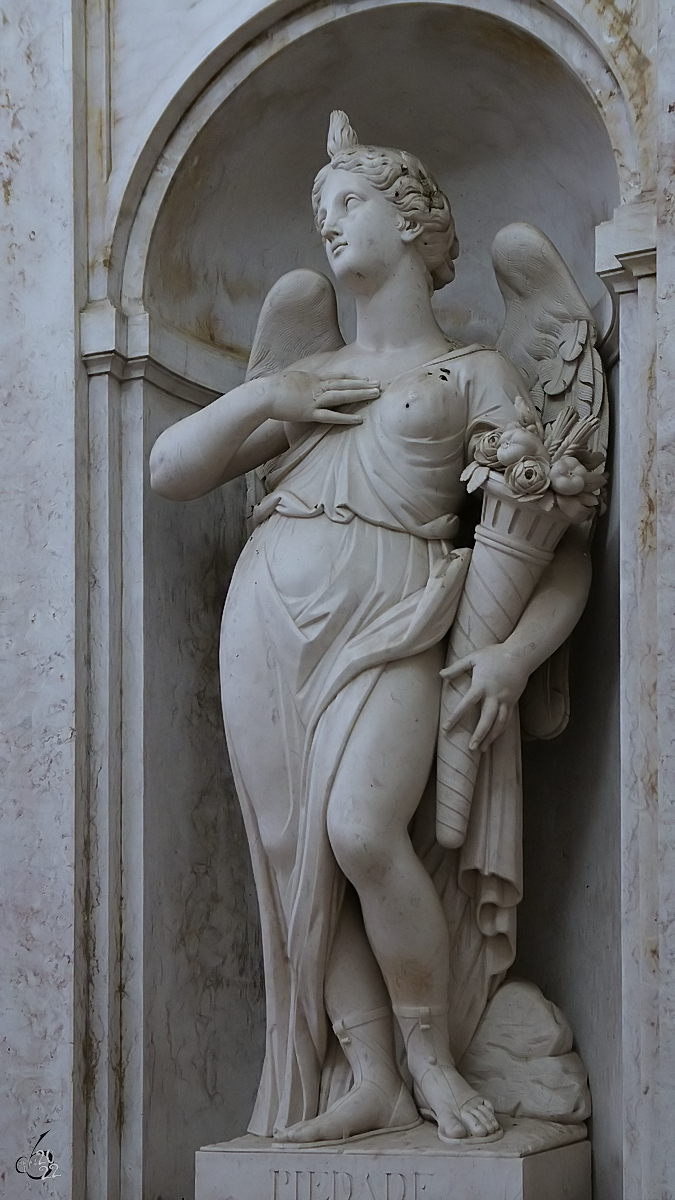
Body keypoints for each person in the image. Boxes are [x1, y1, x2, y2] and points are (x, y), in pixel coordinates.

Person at [149, 112, 591, 1146]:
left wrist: (516, 658)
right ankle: (371, 1072)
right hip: (268, 605)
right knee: (289, 844)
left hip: (398, 609)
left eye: (349, 203)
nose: (330, 226)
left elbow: (560, 543)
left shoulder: (477, 372)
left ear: (416, 219)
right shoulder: (310, 377)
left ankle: (432, 1058)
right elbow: (168, 469)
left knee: (358, 830)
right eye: (319, 212)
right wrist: (280, 391)